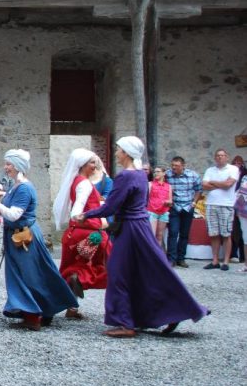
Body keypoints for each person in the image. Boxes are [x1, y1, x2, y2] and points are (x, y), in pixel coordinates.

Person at [77, 136, 208, 338]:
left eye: (119, 150)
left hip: (130, 229)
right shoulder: (140, 175)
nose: (117, 153)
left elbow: (111, 206)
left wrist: (86, 214)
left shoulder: (126, 176)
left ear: (127, 153)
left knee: (118, 272)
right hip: (140, 226)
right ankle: (171, 311)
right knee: (150, 270)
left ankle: (126, 323)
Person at [0, 150, 78, 331]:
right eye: (6, 163)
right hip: (19, 237)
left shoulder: (23, 188)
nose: (6, 167)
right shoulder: (17, 186)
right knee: (34, 274)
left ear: (17, 166)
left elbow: (15, 214)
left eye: (9, 164)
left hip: (24, 239)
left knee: (29, 276)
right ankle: (44, 310)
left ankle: (32, 316)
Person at [52, 148, 110, 320]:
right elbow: (77, 211)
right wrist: (95, 221)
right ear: (83, 165)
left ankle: (72, 307)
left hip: (74, 234)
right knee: (108, 266)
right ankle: (81, 282)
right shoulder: (84, 184)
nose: (95, 165)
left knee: (73, 269)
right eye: (92, 163)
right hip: (89, 234)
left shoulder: (77, 181)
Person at [201, 149, 240, 271]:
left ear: (227, 157)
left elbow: (228, 185)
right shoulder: (209, 170)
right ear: (215, 158)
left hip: (226, 205)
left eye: (222, 155)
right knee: (213, 234)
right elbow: (204, 185)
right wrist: (221, 183)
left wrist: (212, 182)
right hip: (211, 204)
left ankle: (226, 261)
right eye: (217, 155)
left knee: (226, 234)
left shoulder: (233, 169)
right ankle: (215, 260)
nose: (219, 157)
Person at [165, 156, 201, 268]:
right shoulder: (167, 175)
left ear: (183, 166)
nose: (174, 168)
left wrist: (194, 202)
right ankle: (171, 259)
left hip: (188, 207)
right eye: (173, 165)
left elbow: (198, 189)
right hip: (174, 207)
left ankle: (181, 258)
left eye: (177, 166)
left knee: (184, 234)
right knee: (173, 232)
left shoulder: (193, 175)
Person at [147, 165, 173, 253]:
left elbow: (170, 201)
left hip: (164, 212)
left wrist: (168, 202)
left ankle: (157, 256)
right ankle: (150, 255)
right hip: (152, 211)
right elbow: (146, 198)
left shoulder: (168, 186)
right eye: (154, 172)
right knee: (152, 235)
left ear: (163, 173)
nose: (155, 173)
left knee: (160, 236)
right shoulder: (150, 184)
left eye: (158, 171)